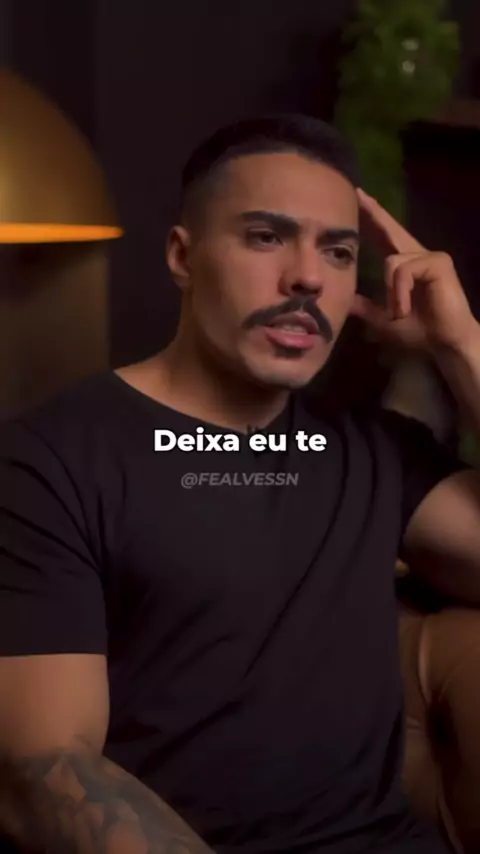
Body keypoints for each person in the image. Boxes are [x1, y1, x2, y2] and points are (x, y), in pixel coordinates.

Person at [0, 113, 479, 854]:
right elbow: (45, 768)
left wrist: (462, 345)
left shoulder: (378, 453)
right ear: (182, 256)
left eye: (339, 251)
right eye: (266, 237)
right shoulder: (46, 463)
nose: (308, 277)